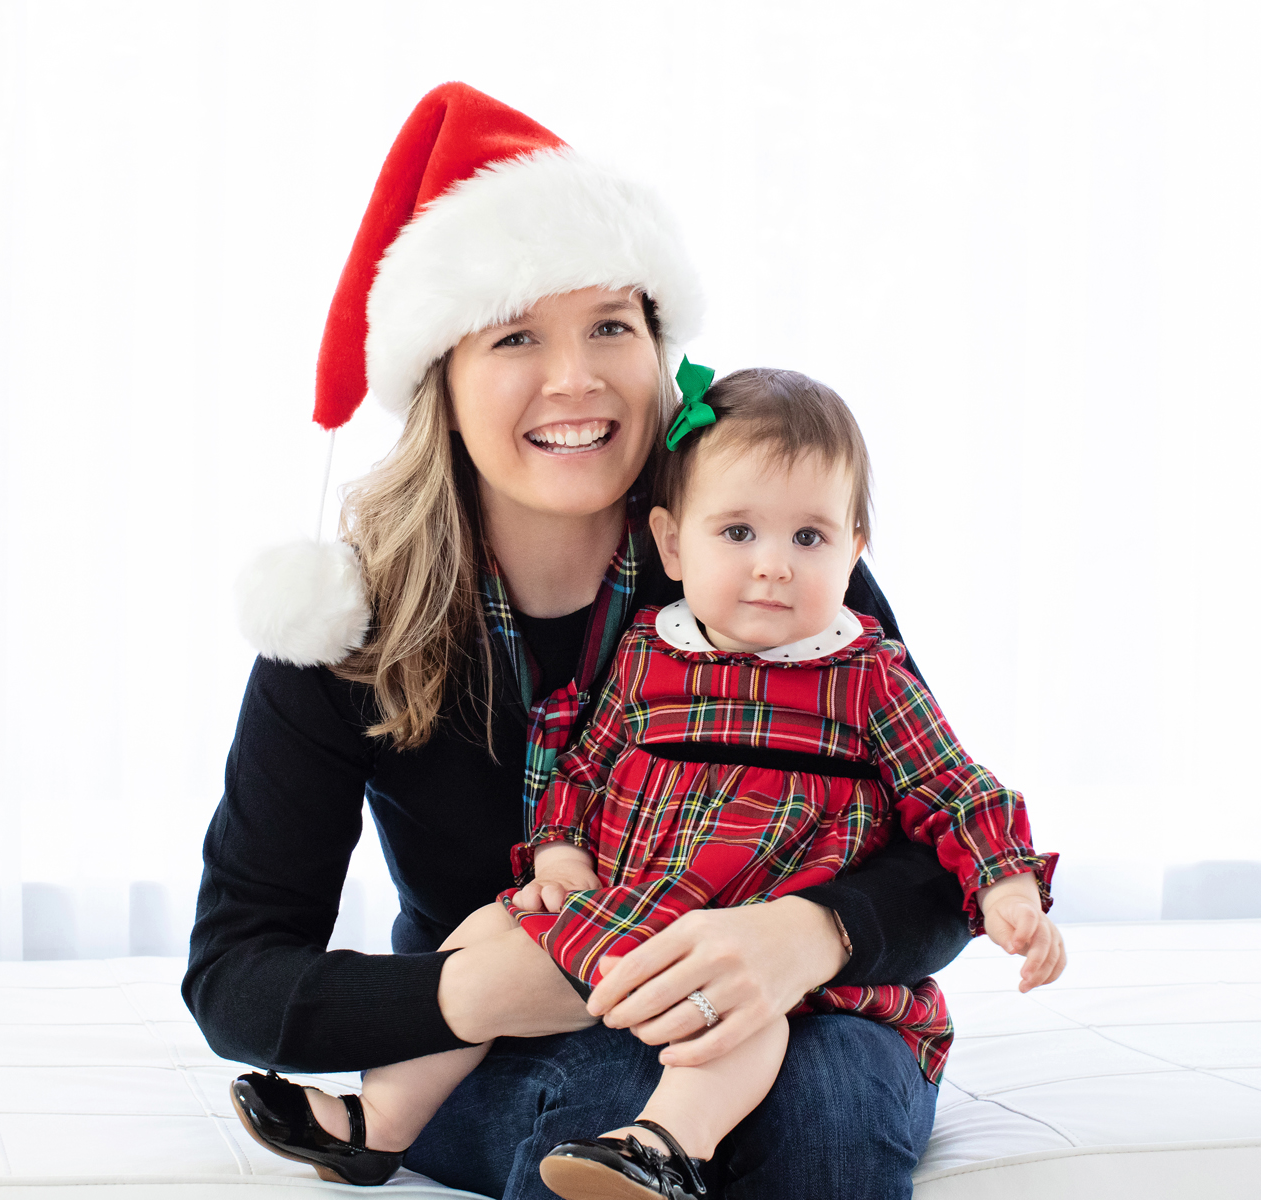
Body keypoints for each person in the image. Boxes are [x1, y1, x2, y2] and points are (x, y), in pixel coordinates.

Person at [187, 83, 985, 1200]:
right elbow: (234, 975)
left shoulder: (759, 558)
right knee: (604, 1094)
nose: (577, 379)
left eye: (611, 325)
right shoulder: (343, 625)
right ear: (441, 384)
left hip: (801, 1004)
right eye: (516, 335)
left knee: (824, 1103)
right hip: (502, 1021)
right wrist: (469, 998)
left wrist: (811, 936)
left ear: (659, 350)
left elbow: (943, 844)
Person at [239, 367, 1063, 1200]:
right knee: (492, 931)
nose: (774, 567)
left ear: (853, 548)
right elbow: (582, 764)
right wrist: (556, 856)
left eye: (809, 540)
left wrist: (998, 887)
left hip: (774, 972)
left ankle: (664, 1140)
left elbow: (952, 791)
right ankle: (378, 1120)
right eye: (738, 533)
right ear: (676, 543)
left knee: (781, 1067)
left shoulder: (857, 666)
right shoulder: (651, 649)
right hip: (626, 917)